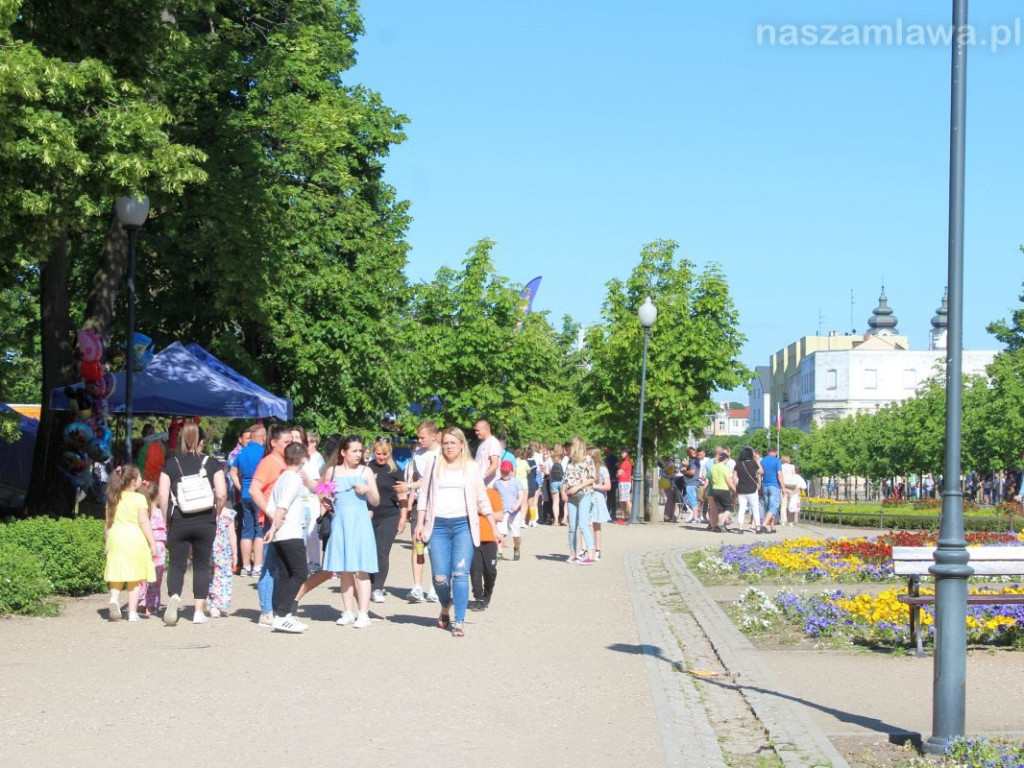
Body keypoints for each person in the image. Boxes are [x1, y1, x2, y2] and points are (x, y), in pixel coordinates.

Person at [415, 426, 497, 638]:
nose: (449, 447)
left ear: (462, 444)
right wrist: (419, 524)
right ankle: (445, 604)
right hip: (438, 526)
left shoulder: (471, 468)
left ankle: (459, 620)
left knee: (460, 574)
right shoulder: (434, 465)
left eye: (453, 443)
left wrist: (494, 527)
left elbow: (481, 499)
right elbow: (423, 495)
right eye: (446, 443)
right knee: (440, 577)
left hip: (463, 526)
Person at [297, 436, 380, 628]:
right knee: (345, 569)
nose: (358, 455)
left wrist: (366, 490)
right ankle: (348, 611)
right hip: (341, 523)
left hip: (359, 523)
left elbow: (376, 500)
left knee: (361, 569)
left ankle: (363, 613)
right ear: (343, 452)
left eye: (360, 451)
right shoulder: (332, 472)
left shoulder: (366, 471)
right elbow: (323, 492)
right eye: (355, 451)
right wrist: (321, 495)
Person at [159, 423, 227, 625]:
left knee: (177, 564)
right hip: (205, 520)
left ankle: (174, 596)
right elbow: (222, 493)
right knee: (201, 565)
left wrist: (167, 517)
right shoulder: (212, 463)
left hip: (179, 519)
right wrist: (217, 512)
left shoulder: (171, 464)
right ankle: (198, 611)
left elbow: (163, 495)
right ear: (202, 441)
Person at [263, 442, 312, 633]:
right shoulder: (292, 479)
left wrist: (274, 528)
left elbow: (270, 505)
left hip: (282, 534)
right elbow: (282, 505)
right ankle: (282, 614)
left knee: (286, 574)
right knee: (300, 572)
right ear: (303, 459)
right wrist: (274, 527)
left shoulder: (282, 478)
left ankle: (284, 614)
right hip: (290, 532)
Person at [250, 425, 294, 627]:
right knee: (270, 566)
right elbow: (254, 489)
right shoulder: (269, 462)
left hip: (285, 519)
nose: (290, 445)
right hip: (271, 520)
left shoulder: (287, 462)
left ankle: (277, 607)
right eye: (286, 442)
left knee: (282, 566)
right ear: (273, 443)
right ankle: (266, 610)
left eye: (291, 442)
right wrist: (268, 512)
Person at [104, 465, 157, 622]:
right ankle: (132, 613)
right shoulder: (139, 498)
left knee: (117, 572)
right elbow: (143, 522)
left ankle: (114, 599)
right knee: (135, 577)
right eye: (139, 477)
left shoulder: (113, 497)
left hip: (116, 537)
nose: (141, 479)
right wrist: (152, 542)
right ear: (133, 482)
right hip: (134, 538)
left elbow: (108, 522)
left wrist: (107, 542)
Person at [402, 421, 441, 604]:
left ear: (434, 436)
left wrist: (411, 485)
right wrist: (410, 499)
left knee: (435, 547)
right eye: (418, 437)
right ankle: (417, 586)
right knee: (418, 544)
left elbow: (432, 481)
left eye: (422, 437)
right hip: (421, 503)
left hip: (439, 505)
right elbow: (417, 478)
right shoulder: (417, 454)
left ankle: (435, 587)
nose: (419, 440)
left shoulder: (442, 453)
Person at [367, 438, 408, 604]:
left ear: (389, 453)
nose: (381, 457)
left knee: (381, 552)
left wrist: (403, 517)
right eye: (378, 454)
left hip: (389, 515)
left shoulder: (395, 470)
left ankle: (378, 587)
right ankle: (368, 584)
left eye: (384, 454)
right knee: (369, 551)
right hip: (368, 515)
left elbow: (402, 495)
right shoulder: (367, 468)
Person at [233, 424, 267, 576]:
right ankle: (258, 566)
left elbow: (233, 472)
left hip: (245, 495)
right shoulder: (264, 453)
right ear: (263, 437)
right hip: (259, 495)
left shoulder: (241, 452)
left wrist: (240, 487)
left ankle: (245, 566)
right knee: (259, 531)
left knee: (246, 530)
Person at [562, 437, 597, 564]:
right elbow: (565, 478)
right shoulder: (570, 461)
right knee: (572, 527)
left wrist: (577, 487)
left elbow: (592, 478)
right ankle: (573, 553)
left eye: (572, 445)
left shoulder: (588, 460)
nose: (570, 447)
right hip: (571, 496)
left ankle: (591, 554)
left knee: (583, 525)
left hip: (584, 494)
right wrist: (563, 491)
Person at [470, 487, 503, 611]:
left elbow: (500, 516)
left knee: (490, 570)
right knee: (475, 569)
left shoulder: (492, 493)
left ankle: (487, 592)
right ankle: (478, 598)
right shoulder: (468, 493)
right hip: (472, 538)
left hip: (489, 538)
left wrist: (481, 510)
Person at [136, 481, 166, 616]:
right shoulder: (162, 514)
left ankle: (141, 601)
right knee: (155, 577)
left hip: (143, 545)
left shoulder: (143, 514)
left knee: (142, 576)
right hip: (158, 547)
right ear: (158, 496)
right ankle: (151, 605)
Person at [208, 499, 236, 618]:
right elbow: (232, 534)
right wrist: (235, 553)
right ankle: (214, 604)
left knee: (214, 575)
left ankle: (213, 602)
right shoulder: (225, 513)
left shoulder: (209, 512)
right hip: (219, 548)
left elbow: (232, 534)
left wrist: (235, 553)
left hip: (219, 549)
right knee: (218, 576)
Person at [495, 460, 525, 561]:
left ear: (512, 471)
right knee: (500, 532)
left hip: (515, 512)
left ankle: (516, 548)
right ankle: (499, 553)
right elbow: (494, 497)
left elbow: (521, 495)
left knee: (516, 533)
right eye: (503, 471)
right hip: (502, 511)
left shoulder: (516, 482)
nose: (505, 474)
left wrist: (517, 505)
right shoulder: (497, 484)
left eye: (507, 472)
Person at [732, 446, 763, 533]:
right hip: (752, 489)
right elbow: (761, 471)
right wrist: (757, 461)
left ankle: (740, 527)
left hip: (741, 489)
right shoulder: (753, 463)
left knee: (741, 508)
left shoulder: (738, 464)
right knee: (755, 508)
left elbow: (734, 477)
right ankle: (757, 527)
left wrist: (736, 486)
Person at [588, 447, 611, 561]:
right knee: (586, 524)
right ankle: (587, 549)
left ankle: (597, 550)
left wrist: (594, 486)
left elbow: (608, 486)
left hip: (597, 497)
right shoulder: (585, 467)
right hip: (586, 497)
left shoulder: (602, 469)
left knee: (596, 525)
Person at [708, 451, 735, 532]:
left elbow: (711, 480)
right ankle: (721, 522)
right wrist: (734, 490)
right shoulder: (724, 468)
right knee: (729, 507)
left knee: (720, 509)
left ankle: (721, 527)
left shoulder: (713, 467)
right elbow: (728, 480)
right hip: (724, 489)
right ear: (725, 459)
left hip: (715, 489)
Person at [760, 446, 783, 529]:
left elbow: (760, 474)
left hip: (765, 486)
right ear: (776, 452)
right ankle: (764, 525)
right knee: (774, 507)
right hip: (774, 486)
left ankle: (772, 527)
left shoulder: (763, 461)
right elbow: (779, 475)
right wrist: (783, 487)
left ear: (767, 452)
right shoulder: (777, 461)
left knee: (768, 507)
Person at [473, 419, 502, 487]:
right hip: (480, 485)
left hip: (490, 486)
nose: (476, 432)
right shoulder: (481, 443)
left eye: (478, 430)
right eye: (475, 430)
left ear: (486, 429)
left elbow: (495, 464)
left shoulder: (493, 442)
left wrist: (482, 477)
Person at [679, 446, 702, 525]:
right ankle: (695, 517)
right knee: (693, 501)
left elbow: (692, 472)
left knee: (692, 501)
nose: (688, 454)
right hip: (692, 483)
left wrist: (684, 471)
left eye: (689, 453)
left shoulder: (693, 462)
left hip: (691, 484)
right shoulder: (696, 461)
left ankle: (695, 518)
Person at [549, 444, 567, 526]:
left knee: (555, 501)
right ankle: (564, 519)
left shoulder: (550, 459)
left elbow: (547, 471)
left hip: (553, 481)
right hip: (563, 480)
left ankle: (556, 521)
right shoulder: (566, 459)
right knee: (566, 501)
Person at [616, 449, 633, 524]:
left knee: (626, 500)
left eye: (622, 453)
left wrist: (617, 473)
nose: (621, 454)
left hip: (624, 482)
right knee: (623, 500)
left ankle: (632, 517)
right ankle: (623, 517)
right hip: (623, 482)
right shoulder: (625, 461)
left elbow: (619, 473)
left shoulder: (626, 462)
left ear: (627, 453)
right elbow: (617, 465)